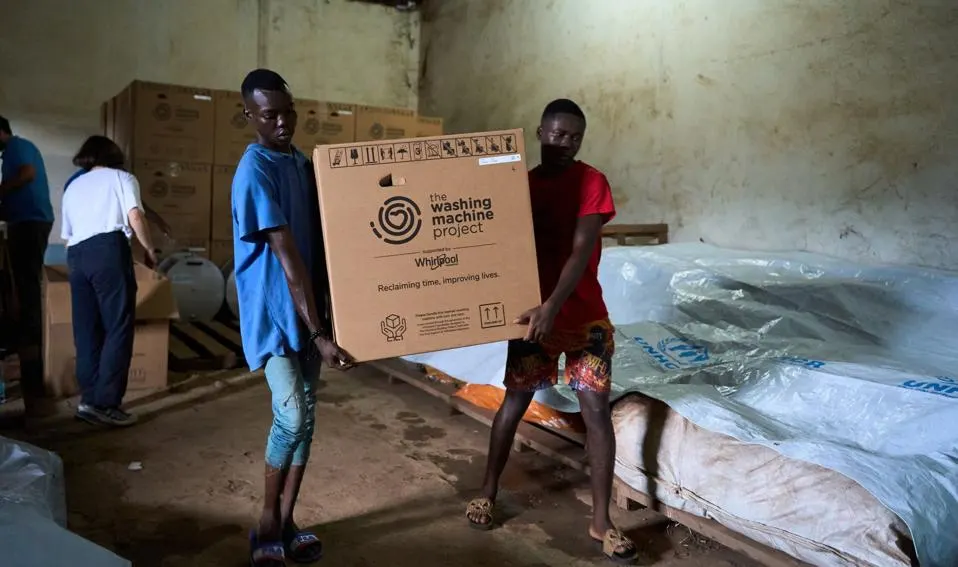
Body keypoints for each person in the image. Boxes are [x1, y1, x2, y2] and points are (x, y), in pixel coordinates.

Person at [464, 99, 639, 563]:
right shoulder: (519, 187)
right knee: (515, 400)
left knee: (595, 412)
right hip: (530, 319)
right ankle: (487, 491)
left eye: (573, 137)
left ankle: (601, 521)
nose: (563, 143)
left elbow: (581, 250)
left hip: (583, 322)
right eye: (556, 134)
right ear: (539, 132)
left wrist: (552, 306)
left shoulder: (591, 182)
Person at [232, 68, 353, 567]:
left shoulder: (303, 164)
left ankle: (288, 519)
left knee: (308, 419)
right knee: (293, 413)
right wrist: (319, 332)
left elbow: (326, 239)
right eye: (269, 115)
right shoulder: (254, 171)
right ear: (249, 116)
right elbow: (287, 256)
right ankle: (265, 519)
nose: (282, 122)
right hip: (275, 311)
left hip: (309, 308)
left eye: (287, 111)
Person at [60, 135, 157, 427]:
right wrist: (150, 250)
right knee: (117, 326)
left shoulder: (73, 186)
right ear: (115, 155)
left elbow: (66, 236)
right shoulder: (123, 178)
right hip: (108, 250)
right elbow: (136, 216)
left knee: (87, 330)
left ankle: (88, 400)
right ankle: (106, 404)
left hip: (76, 256)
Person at [0, 115, 55, 414]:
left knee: (27, 284)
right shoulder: (11, 151)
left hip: (30, 222)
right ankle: (26, 334)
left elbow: (27, 174)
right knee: (22, 282)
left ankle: (32, 342)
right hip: (25, 221)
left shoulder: (17, 146)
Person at [65, 168, 173, 237]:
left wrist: (159, 221)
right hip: (107, 242)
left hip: (78, 244)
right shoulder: (120, 176)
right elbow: (136, 215)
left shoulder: (73, 183)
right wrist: (149, 248)